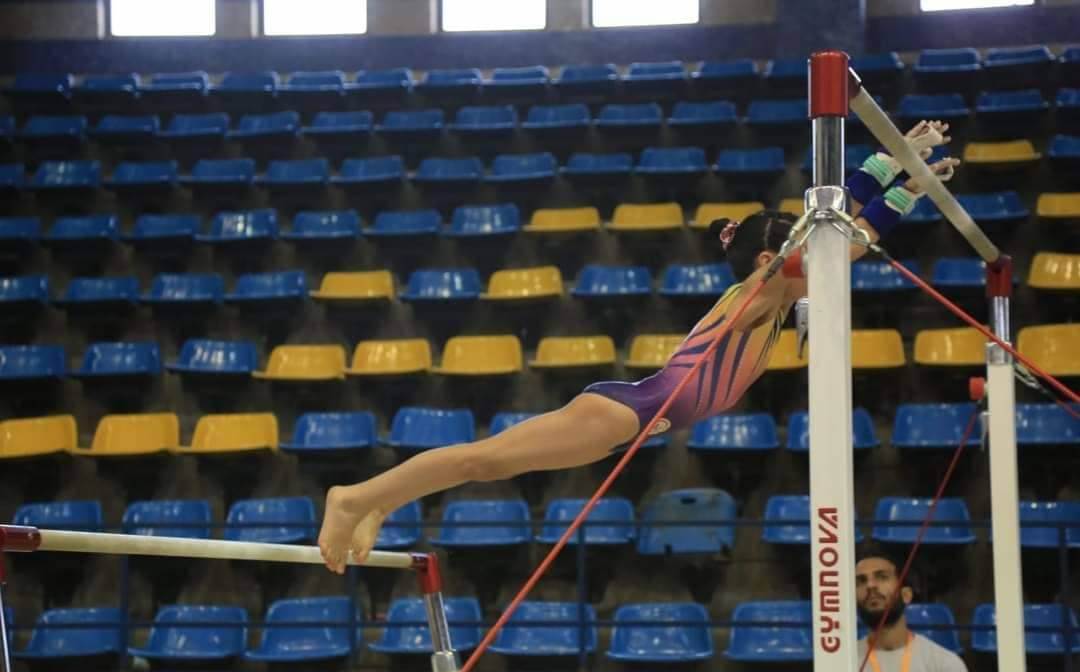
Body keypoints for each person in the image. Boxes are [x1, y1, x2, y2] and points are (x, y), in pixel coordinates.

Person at [318, 121, 961, 574]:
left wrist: (906, 176)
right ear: (769, 257)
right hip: (626, 410)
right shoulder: (761, 290)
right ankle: (352, 496)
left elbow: (843, 236)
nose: (820, 251)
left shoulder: (785, 292)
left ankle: (378, 502)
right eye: (801, 245)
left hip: (634, 421)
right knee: (480, 462)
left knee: (487, 465)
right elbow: (837, 237)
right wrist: (896, 172)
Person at [856, 545, 980, 672]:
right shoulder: (842, 665)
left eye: (882, 577)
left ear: (906, 595)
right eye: (861, 581)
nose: (870, 585)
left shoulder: (946, 664)